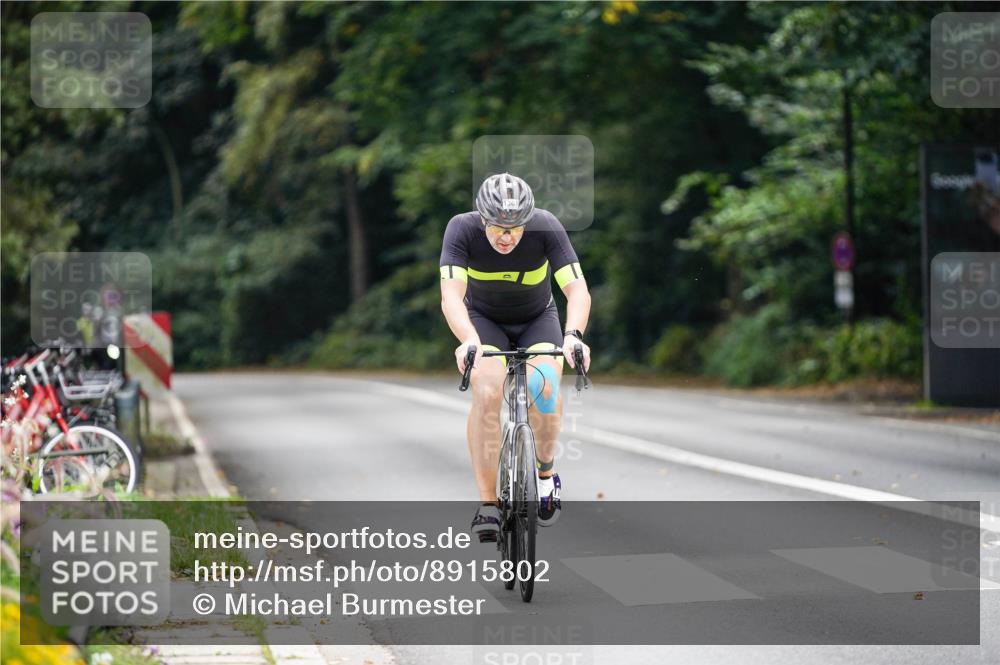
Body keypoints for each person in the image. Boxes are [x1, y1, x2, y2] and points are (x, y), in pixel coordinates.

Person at [439, 172, 592, 541]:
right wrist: (468, 339)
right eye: (498, 228)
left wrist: (573, 336)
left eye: (515, 228)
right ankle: (488, 504)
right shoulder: (461, 229)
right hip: (483, 322)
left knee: (546, 388)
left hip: (537, 318)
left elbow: (577, 291)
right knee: (489, 391)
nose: (506, 236)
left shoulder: (546, 226)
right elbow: (451, 295)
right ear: (482, 218)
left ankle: (544, 476)